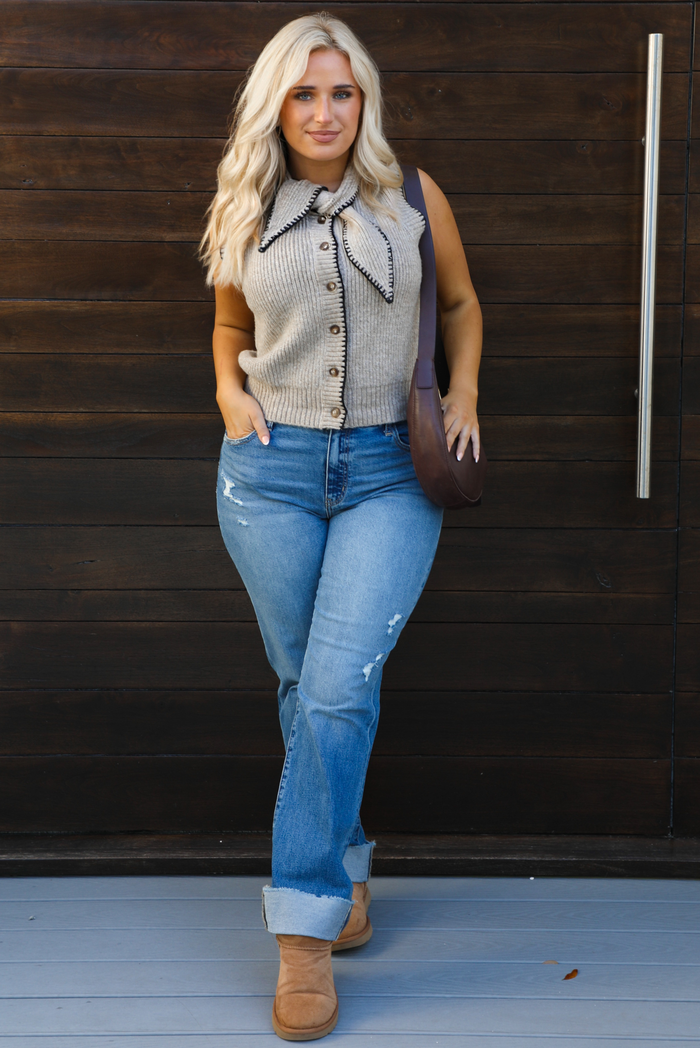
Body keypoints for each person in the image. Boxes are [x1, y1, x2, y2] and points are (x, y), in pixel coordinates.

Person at [200, 12, 482, 1041]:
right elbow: (232, 328)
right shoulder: (244, 206)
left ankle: (306, 930)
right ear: (277, 104)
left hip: (384, 476)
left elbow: (458, 303)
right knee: (303, 680)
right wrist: (230, 398)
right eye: (304, 93)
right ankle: (348, 858)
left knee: (332, 683)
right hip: (266, 477)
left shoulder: (411, 198)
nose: (324, 112)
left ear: (363, 100)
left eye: (343, 92)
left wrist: (466, 394)